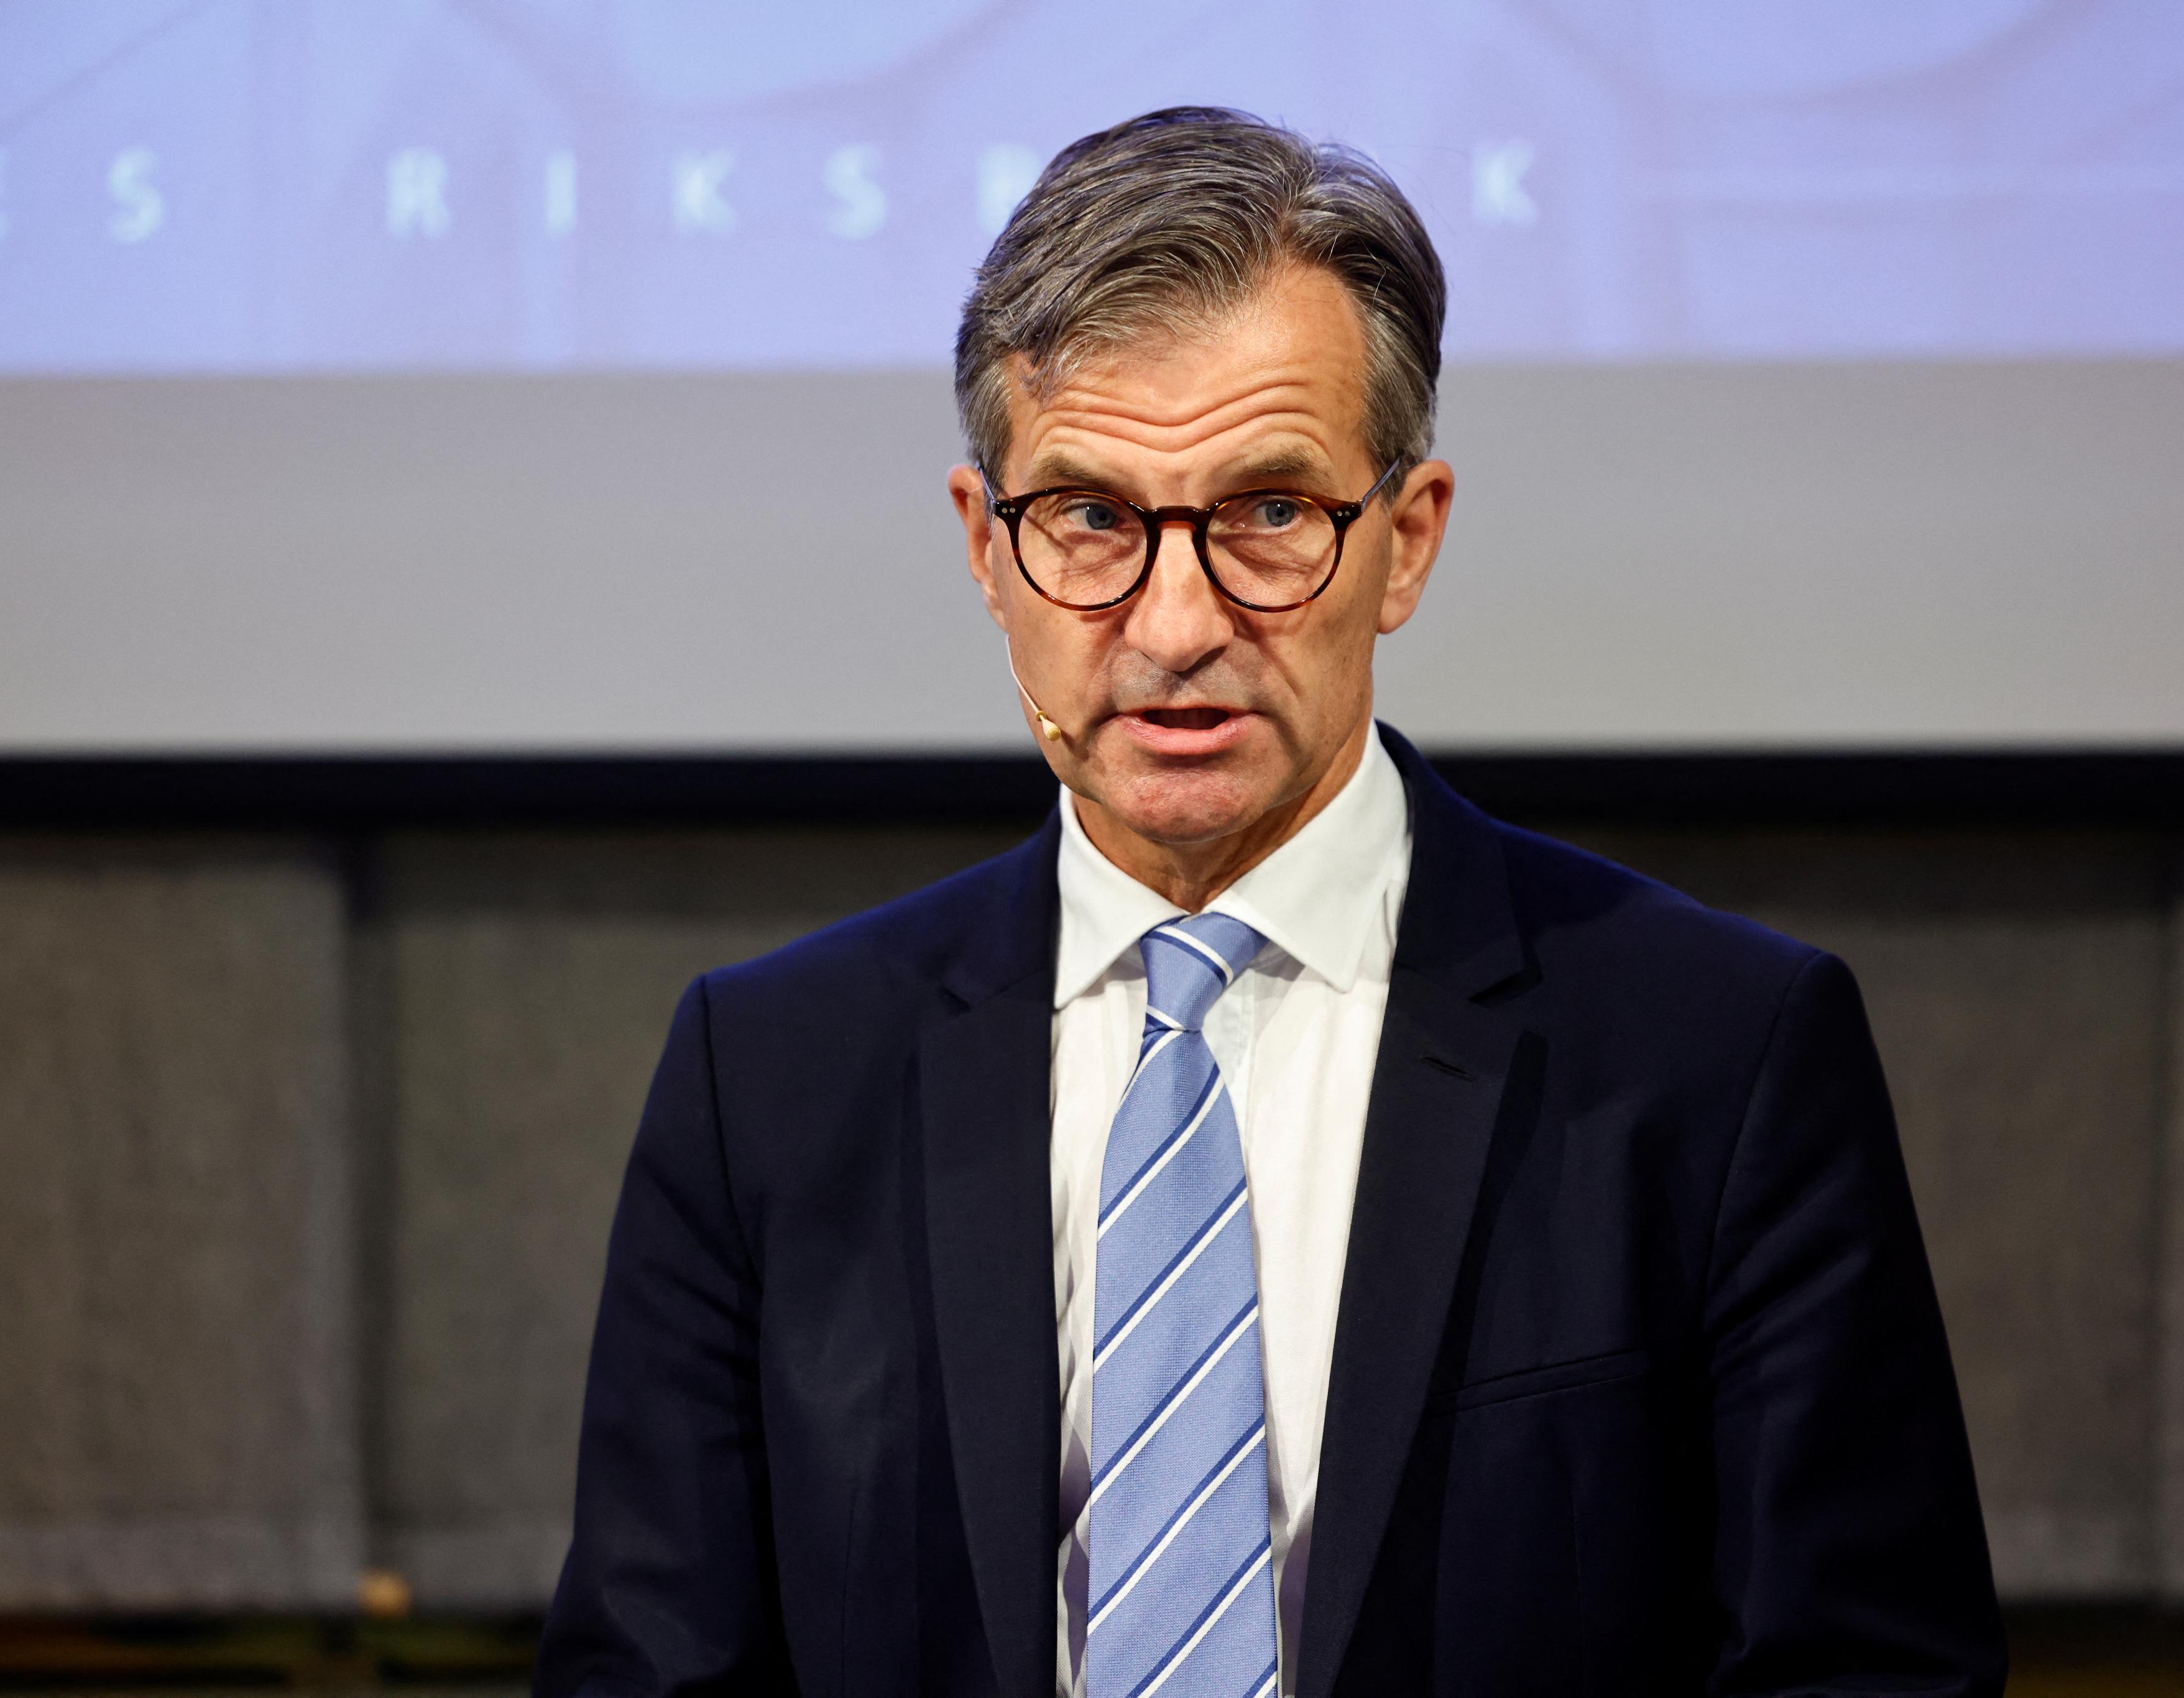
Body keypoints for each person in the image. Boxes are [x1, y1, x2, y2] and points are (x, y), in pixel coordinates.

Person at [535, 107, 2004, 1698]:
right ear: (984, 548)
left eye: (1269, 513)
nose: (1175, 624)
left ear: (1405, 541)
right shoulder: (766, 1081)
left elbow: (1866, 1673)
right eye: (1089, 516)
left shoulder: (1719, 1057)